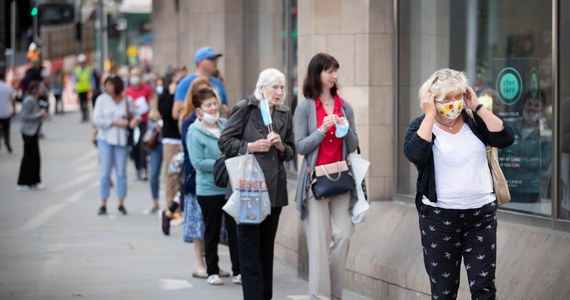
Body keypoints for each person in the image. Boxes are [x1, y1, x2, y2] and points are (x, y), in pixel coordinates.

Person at [403, 68, 514, 300]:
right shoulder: (422, 125)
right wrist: (430, 116)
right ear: (432, 100)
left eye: (457, 96)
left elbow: (505, 138)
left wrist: (477, 106)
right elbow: (416, 154)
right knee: (444, 293)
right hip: (440, 219)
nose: (453, 103)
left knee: (484, 289)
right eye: (446, 98)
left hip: (481, 216)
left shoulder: (474, 120)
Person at [219, 68, 295, 299]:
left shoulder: (284, 112)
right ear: (261, 87)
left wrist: (281, 146)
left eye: (282, 87)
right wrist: (250, 147)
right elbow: (225, 141)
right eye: (275, 87)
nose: (279, 92)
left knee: (266, 248)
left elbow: (291, 152)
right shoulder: (245, 108)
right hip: (248, 187)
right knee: (250, 248)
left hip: (273, 188)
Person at [293, 53, 359, 300]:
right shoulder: (305, 108)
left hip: (341, 178)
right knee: (319, 243)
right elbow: (300, 146)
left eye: (335, 71)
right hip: (315, 180)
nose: (334, 76)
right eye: (329, 71)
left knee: (343, 236)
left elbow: (353, 145)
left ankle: (334, 294)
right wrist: (322, 130)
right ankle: (319, 296)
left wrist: (345, 129)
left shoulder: (345, 106)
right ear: (317, 74)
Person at [187, 87, 240, 286]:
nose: (212, 108)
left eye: (214, 103)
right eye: (208, 105)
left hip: (229, 187)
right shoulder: (194, 132)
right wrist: (224, 162)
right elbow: (198, 163)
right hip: (208, 189)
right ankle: (212, 271)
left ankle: (238, 271)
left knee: (234, 230)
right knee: (212, 230)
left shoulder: (226, 125)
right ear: (198, 111)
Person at [179, 77, 217, 278]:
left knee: (212, 226)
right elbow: (194, 156)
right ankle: (198, 262)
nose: (211, 105)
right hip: (196, 179)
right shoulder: (188, 123)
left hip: (217, 181)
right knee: (197, 223)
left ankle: (213, 264)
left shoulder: (221, 120)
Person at [93, 76, 139, 216]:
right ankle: (103, 203)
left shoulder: (127, 100)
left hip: (121, 140)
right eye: (106, 85)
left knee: (121, 172)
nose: (108, 88)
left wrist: (134, 121)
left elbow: (137, 114)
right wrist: (117, 123)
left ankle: (121, 203)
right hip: (105, 139)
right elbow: (97, 120)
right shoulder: (101, 99)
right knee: (105, 172)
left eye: (111, 85)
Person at [501, 90, 551, 203]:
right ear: (523, 105)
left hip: (531, 191)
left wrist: (521, 162)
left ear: (541, 110)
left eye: (536, 105)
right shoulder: (510, 127)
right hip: (507, 188)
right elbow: (500, 152)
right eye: (529, 103)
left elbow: (545, 161)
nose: (532, 108)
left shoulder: (546, 133)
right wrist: (509, 160)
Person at [158, 68, 187, 220]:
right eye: (178, 80)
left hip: (184, 138)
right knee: (171, 173)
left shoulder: (186, 92)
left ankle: (179, 206)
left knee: (182, 176)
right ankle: (170, 207)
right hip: (171, 139)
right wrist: (170, 94)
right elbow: (165, 112)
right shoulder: (165, 93)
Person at [172, 47, 229, 121]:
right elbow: (176, 113)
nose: (215, 62)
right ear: (200, 62)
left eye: (216, 59)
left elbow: (226, 108)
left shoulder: (218, 83)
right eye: (211, 59)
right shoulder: (185, 82)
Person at [16, 80, 47, 190]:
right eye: (40, 88)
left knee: (35, 157)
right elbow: (24, 116)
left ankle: (34, 181)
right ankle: (23, 182)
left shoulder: (34, 99)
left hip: (32, 131)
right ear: (35, 89)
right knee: (28, 157)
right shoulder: (29, 100)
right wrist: (39, 114)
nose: (42, 90)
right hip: (28, 132)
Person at [125, 67, 154, 181]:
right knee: (135, 147)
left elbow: (152, 104)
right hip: (133, 123)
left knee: (143, 146)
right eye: (133, 75)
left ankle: (143, 169)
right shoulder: (128, 91)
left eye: (137, 74)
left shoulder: (147, 89)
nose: (135, 77)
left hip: (144, 121)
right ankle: (137, 168)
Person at [144, 86, 163, 215]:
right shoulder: (153, 112)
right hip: (156, 145)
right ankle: (155, 202)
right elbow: (149, 124)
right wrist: (156, 126)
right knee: (154, 174)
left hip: (168, 144)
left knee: (172, 175)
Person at [73, 53, 93, 122]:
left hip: (86, 89)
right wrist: (74, 87)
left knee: (85, 102)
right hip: (80, 89)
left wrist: (92, 87)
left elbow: (91, 79)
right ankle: (83, 115)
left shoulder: (88, 69)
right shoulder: (77, 70)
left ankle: (86, 115)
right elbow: (74, 79)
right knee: (81, 103)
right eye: (81, 62)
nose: (82, 64)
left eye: (83, 62)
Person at [0, 70, 15, 153]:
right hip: (6, 112)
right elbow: (13, 99)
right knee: (6, 130)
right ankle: (7, 143)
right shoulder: (8, 87)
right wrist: (14, 110)